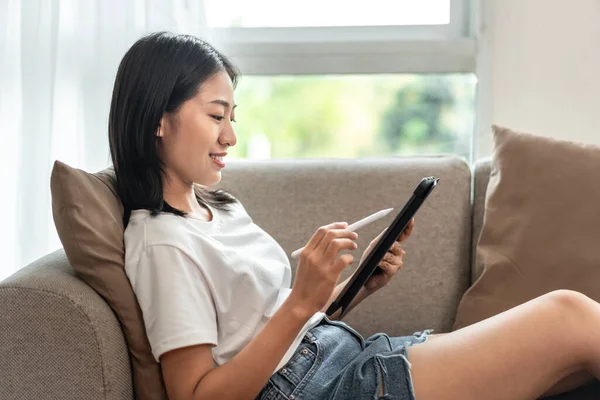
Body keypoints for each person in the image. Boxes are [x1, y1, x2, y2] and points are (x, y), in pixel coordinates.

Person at [109, 32, 600, 400]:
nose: (230, 137)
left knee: (573, 369)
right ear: (157, 118)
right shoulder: (162, 243)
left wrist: (354, 285)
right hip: (319, 387)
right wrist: (302, 301)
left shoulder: (218, 207)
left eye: (232, 118)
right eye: (217, 116)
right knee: (568, 315)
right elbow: (197, 395)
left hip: (341, 358)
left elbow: (270, 328)